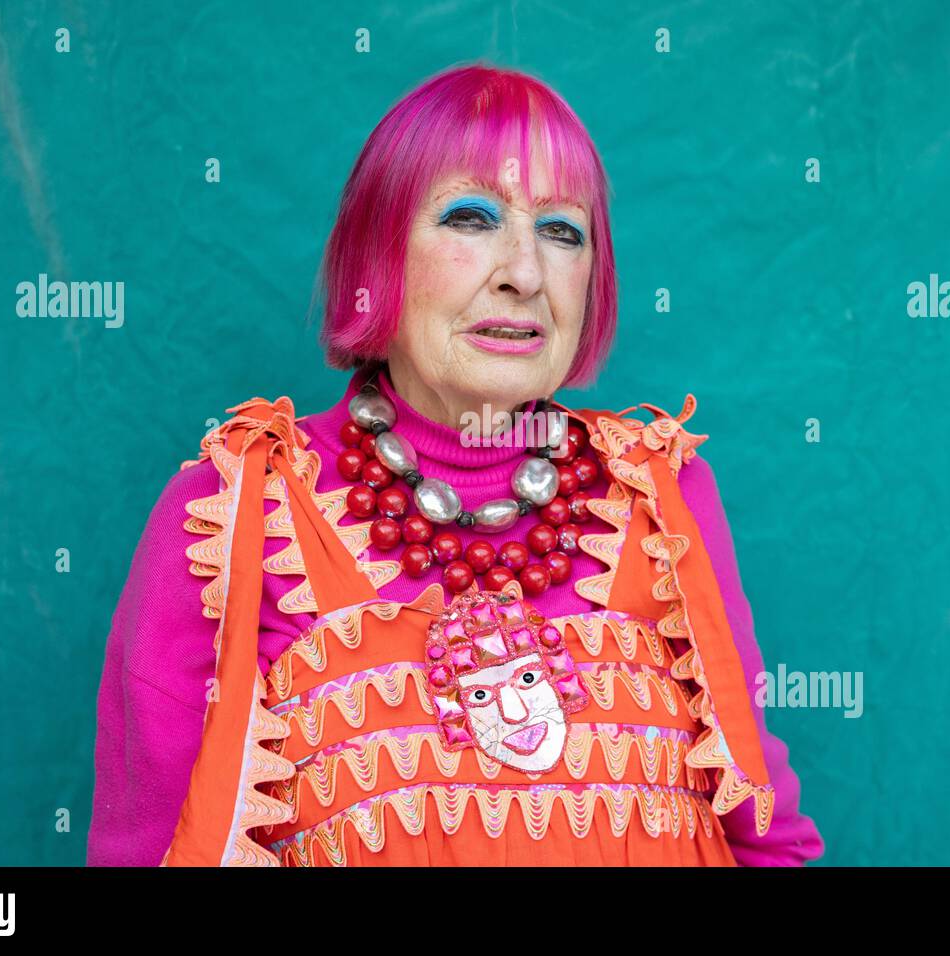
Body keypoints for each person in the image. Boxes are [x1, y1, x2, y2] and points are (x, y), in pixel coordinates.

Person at [86, 62, 824, 867]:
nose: (526, 272)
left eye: (562, 230)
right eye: (471, 218)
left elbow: (768, 842)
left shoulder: (664, 495)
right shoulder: (230, 514)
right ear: (379, 256)